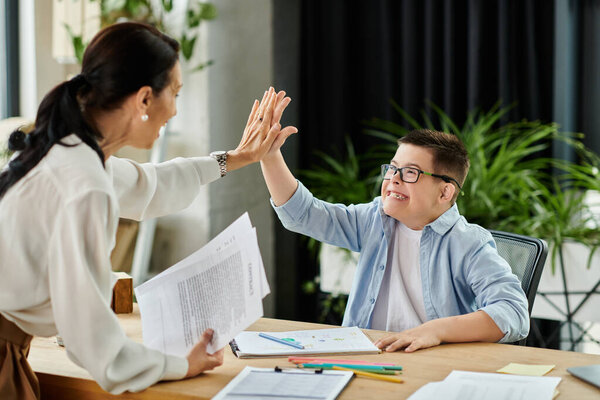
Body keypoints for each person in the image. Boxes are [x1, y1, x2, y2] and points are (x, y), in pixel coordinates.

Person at [0, 22, 296, 398]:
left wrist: (237, 158)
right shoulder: (85, 184)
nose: (174, 110)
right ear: (143, 99)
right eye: (174, 92)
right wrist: (181, 365)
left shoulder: (70, 152)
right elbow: (95, 346)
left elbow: (148, 184)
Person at [259, 128, 529, 353]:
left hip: (430, 363)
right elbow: (304, 215)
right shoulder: (374, 219)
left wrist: (434, 331)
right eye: (392, 168)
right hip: (367, 355)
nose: (393, 180)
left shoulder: (468, 243)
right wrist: (270, 156)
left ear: (445, 191)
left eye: (410, 173)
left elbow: (513, 311)